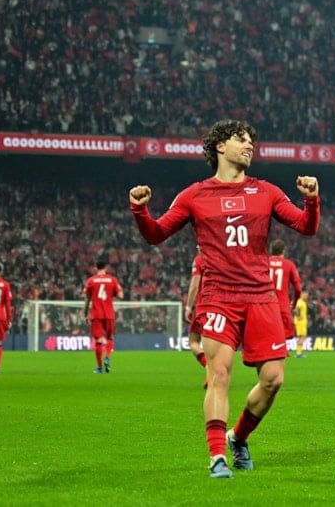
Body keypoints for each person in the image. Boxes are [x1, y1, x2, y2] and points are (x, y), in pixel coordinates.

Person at [128, 118, 320, 479]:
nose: (249, 145)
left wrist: (311, 201)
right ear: (220, 146)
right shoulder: (194, 195)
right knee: (218, 373)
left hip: (260, 296)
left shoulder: (266, 191)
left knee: (274, 379)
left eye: (251, 141)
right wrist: (140, 211)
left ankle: (238, 437)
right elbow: (156, 234)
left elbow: (305, 227)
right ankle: (217, 456)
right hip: (218, 296)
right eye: (241, 139)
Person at [83, 260, 124, 374]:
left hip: (96, 314)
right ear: (106, 268)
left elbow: (87, 299)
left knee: (98, 341)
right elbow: (121, 296)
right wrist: (113, 293)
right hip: (109, 314)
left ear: (96, 268)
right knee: (110, 338)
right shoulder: (112, 280)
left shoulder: (91, 281)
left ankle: (100, 368)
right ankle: (107, 357)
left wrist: (85, 314)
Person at [268, 239, 302, 351]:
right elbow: (298, 289)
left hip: (265, 306)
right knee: (281, 341)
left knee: (266, 337)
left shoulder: (264, 263)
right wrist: (294, 303)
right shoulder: (289, 265)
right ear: (283, 250)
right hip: (282, 306)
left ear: (271, 250)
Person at [185, 245, 209, 388]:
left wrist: (188, 306)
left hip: (204, 306)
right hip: (224, 306)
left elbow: (194, 285)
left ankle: (208, 367)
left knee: (194, 341)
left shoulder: (200, 260)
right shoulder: (221, 258)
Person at [293, 291, 309, 358]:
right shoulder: (300, 301)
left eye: (307, 295)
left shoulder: (303, 302)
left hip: (301, 322)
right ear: (302, 295)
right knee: (303, 337)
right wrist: (298, 316)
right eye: (305, 295)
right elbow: (296, 309)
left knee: (301, 337)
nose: (307, 297)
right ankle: (299, 353)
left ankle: (299, 352)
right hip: (300, 323)